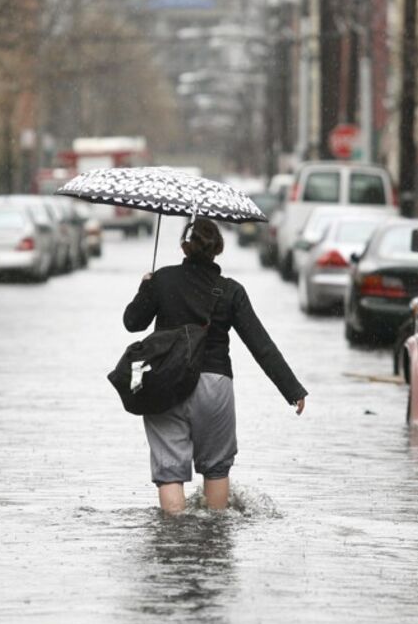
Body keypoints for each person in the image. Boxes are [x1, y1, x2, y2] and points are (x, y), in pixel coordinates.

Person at [123, 217, 307, 514]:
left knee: (169, 470)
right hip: (214, 385)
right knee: (216, 469)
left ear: (184, 246)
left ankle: (175, 538)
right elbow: (260, 344)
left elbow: (132, 322)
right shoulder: (231, 291)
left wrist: (146, 287)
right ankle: (214, 537)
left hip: (165, 384)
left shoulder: (162, 280)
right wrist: (292, 389)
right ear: (218, 250)